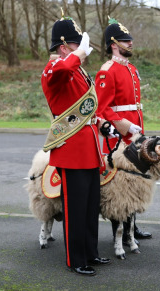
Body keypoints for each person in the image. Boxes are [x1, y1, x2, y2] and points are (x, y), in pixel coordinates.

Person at [41, 14, 111, 276]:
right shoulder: (53, 69)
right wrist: (77, 54)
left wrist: (102, 124)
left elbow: (88, 108)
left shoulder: (77, 70)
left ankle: (91, 252)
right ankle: (75, 258)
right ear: (63, 47)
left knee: (91, 207)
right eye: (75, 45)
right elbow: (60, 70)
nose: (81, 51)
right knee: (75, 209)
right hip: (71, 151)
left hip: (90, 149)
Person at [95, 18, 152, 245]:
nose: (131, 44)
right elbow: (102, 109)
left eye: (130, 40)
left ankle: (132, 227)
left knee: (135, 181)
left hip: (135, 135)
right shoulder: (107, 71)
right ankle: (121, 232)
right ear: (113, 44)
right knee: (119, 186)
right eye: (126, 41)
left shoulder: (131, 68)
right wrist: (125, 126)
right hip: (118, 136)